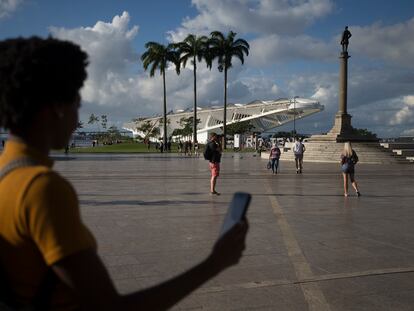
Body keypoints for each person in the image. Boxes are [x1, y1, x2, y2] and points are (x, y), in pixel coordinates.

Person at [0, 37, 248, 311]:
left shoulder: (6, 175)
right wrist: (214, 263)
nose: (76, 114)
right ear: (58, 106)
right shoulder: (41, 188)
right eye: (76, 101)